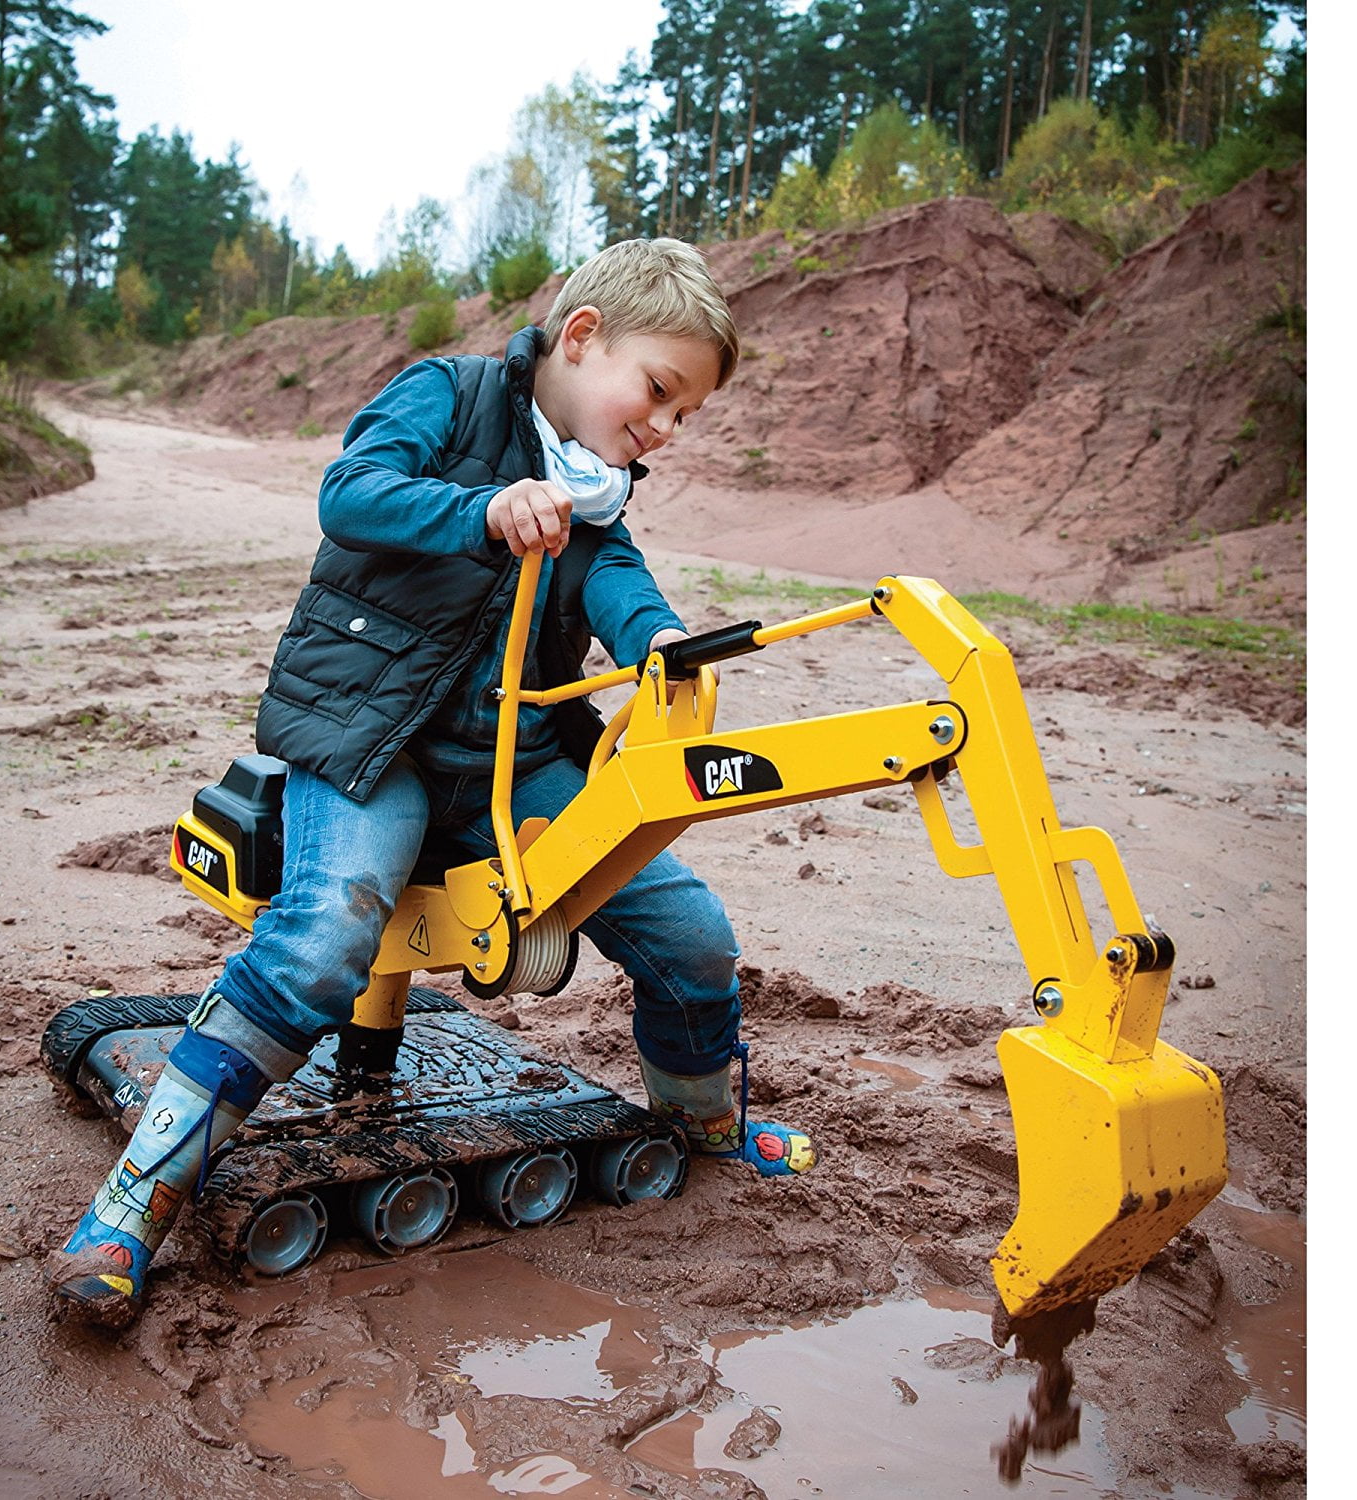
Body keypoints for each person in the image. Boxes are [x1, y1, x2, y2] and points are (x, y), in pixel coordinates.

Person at [46, 238, 816, 1329]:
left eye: (687, 414)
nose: (668, 428)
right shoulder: (446, 397)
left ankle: (704, 1126)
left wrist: (664, 649)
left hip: (516, 766)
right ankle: (133, 1203)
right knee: (322, 938)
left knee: (689, 933)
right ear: (583, 337)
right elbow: (350, 493)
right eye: (660, 391)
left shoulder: (598, 496)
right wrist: (484, 510)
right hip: (370, 743)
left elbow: (621, 583)